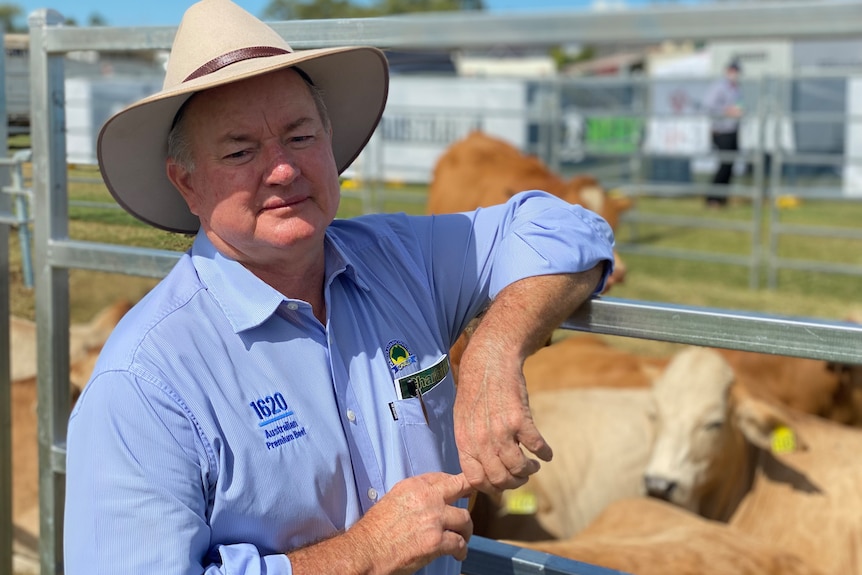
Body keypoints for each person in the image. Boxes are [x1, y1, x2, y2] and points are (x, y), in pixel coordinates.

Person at [63, 1, 615, 574]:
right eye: (240, 151)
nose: (282, 169)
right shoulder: (146, 381)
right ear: (188, 182)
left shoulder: (402, 258)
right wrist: (367, 553)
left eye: (300, 136)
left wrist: (493, 352)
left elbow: (567, 226)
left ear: (330, 142)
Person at [703, 60, 743, 208]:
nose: (735, 74)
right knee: (723, 164)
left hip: (733, 129)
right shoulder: (718, 87)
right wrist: (726, 111)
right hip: (721, 130)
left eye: (737, 71)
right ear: (727, 71)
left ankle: (722, 198)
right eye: (733, 70)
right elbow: (708, 107)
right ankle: (712, 198)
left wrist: (739, 111)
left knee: (730, 165)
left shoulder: (736, 88)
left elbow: (739, 105)